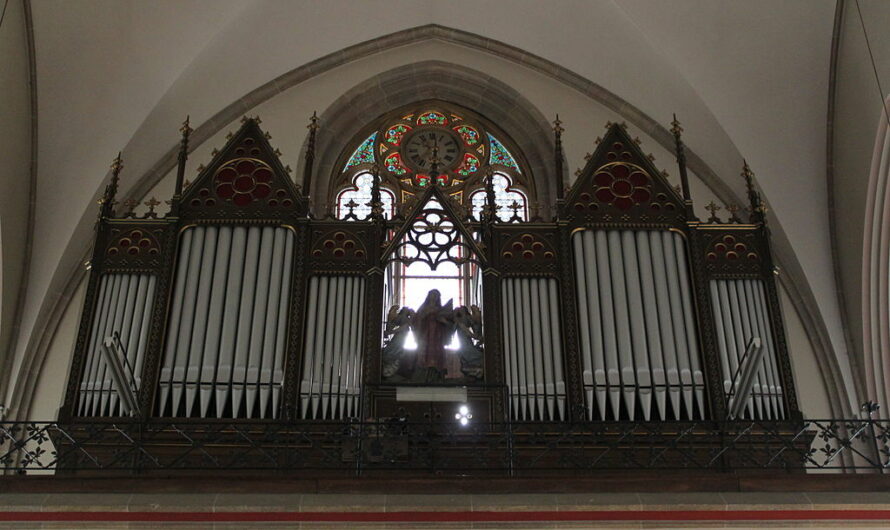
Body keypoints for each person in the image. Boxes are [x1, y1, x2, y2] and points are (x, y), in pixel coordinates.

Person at [413, 289, 454, 378]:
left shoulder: (441, 309)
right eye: (432, 295)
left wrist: (443, 321)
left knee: (437, 352)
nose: (434, 297)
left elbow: (449, 323)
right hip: (426, 333)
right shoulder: (423, 308)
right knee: (425, 352)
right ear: (429, 296)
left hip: (438, 334)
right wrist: (425, 314)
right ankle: (424, 374)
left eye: (436, 295)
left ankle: (436, 374)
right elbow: (416, 321)